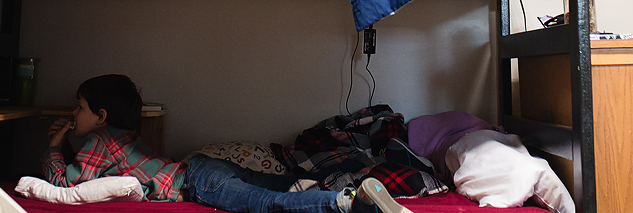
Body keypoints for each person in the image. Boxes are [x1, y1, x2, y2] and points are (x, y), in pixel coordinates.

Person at [42, 73, 411, 213]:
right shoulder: (122, 136)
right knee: (279, 183)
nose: (74, 114)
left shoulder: (99, 139)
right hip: (203, 167)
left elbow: (64, 184)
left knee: (269, 204)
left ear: (102, 116)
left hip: (198, 182)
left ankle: (346, 203)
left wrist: (54, 145)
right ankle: (353, 183)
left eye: (80, 107)